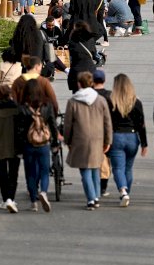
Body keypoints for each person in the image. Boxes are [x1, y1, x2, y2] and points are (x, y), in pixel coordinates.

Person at [64, 70, 113, 210]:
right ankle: (96, 196)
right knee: (95, 168)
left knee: (85, 170)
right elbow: (107, 122)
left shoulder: (73, 101)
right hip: (98, 138)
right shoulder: (100, 100)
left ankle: (91, 198)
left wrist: (68, 140)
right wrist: (108, 140)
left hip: (80, 138)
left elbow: (68, 124)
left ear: (79, 84)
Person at [104, 73, 147, 207]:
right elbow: (141, 124)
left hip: (116, 136)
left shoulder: (110, 101)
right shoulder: (136, 102)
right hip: (132, 137)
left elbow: (106, 122)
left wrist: (105, 140)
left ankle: (123, 191)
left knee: (118, 168)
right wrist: (144, 144)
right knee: (128, 168)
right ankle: (126, 192)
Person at [18, 77, 57, 212]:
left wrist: (19, 146)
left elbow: (19, 129)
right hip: (43, 143)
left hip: (28, 144)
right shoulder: (46, 105)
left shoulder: (23, 107)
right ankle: (44, 192)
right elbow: (52, 124)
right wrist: (55, 142)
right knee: (44, 170)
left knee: (30, 173)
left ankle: (34, 201)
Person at [0, 84, 22, 213]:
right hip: (14, 146)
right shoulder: (17, 111)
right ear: (10, 95)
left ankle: (5, 199)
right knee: (13, 174)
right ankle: (11, 199)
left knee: (2, 175)